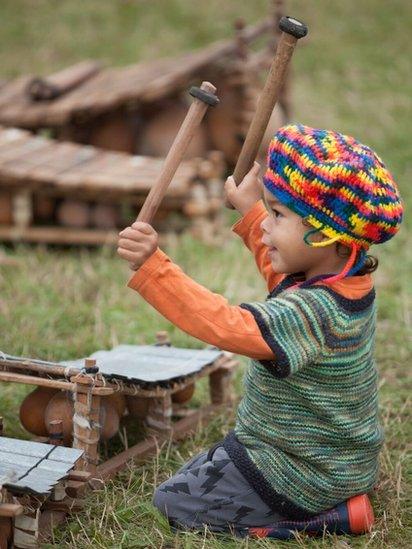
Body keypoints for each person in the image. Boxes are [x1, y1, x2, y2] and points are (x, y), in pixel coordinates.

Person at [117, 124, 403, 533]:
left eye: (278, 214)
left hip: (308, 470)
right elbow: (279, 274)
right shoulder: (341, 280)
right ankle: (309, 495)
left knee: (174, 502)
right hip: (315, 453)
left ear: (324, 234)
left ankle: (328, 519)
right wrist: (253, 210)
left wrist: (153, 267)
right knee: (202, 470)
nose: (266, 226)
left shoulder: (316, 311)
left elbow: (229, 325)